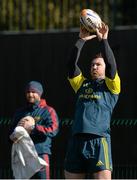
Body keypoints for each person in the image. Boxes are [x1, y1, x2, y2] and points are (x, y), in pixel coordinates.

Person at [64, 22, 121, 179]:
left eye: (98, 64)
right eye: (92, 65)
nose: (94, 67)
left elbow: (111, 65)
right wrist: (80, 40)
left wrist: (104, 41)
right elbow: (70, 65)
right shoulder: (82, 83)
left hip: (99, 140)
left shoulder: (111, 86)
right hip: (77, 141)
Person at [10, 80, 59, 179]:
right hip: (22, 156)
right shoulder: (20, 112)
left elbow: (53, 130)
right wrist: (15, 134)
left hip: (40, 154)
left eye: (33, 92)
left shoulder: (48, 111)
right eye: (28, 92)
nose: (30, 94)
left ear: (39, 93)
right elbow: (11, 133)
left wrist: (33, 128)